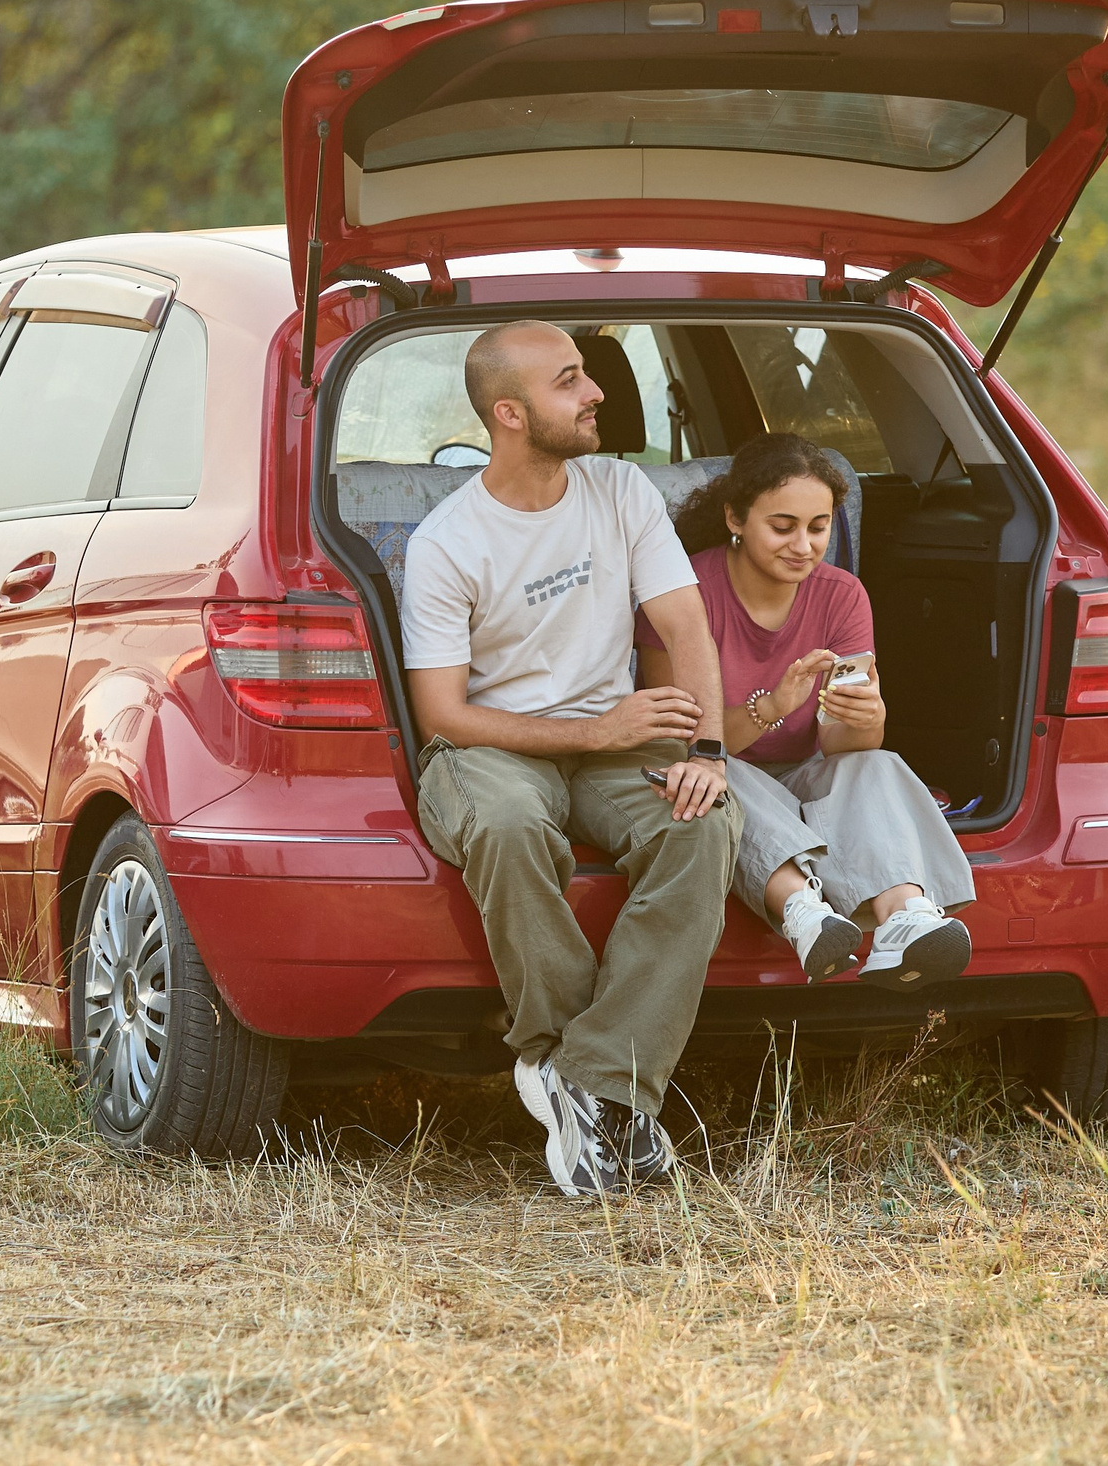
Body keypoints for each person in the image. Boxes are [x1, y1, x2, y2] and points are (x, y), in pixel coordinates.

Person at [401, 320, 742, 1198]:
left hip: (616, 736)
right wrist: (595, 733)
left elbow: (685, 623)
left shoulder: (620, 490)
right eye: (570, 381)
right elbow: (442, 713)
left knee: (701, 824)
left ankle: (589, 1079)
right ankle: (580, 1072)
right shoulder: (446, 544)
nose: (595, 393)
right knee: (510, 826)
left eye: (586, 375)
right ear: (509, 413)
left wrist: (706, 750)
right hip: (493, 748)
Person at [637, 432, 974, 989]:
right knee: (711, 777)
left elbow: (844, 752)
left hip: (802, 778)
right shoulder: (684, 590)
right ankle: (803, 912)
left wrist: (865, 718)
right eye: (783, 526)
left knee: (879, 764)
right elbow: (681, 741)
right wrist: (773, 706)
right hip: (720, 767)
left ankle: (905, 917)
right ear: (736, 519)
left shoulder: (842, 595)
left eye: (818, 528)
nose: (804, 545)